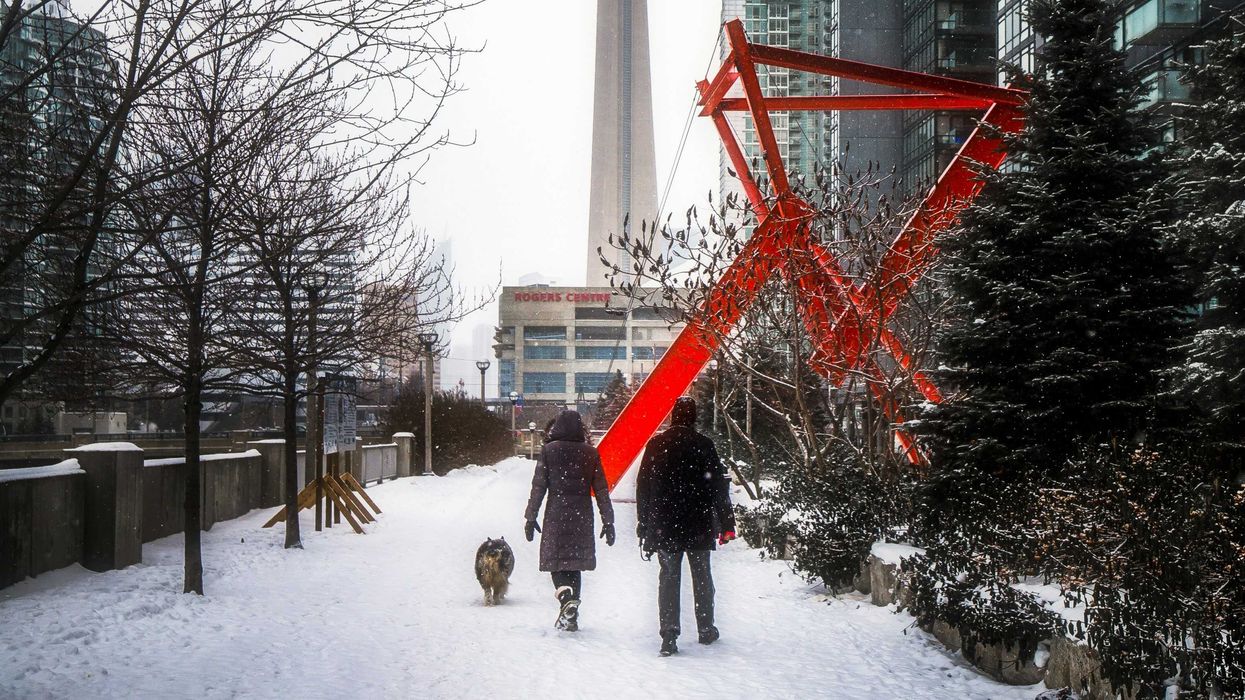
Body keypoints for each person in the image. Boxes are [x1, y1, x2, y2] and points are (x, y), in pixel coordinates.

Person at [636, 396, 736, 657]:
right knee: (702, 574)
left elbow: (644, 487)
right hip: (697, 522)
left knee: (669, 577)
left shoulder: (657, 445)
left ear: (673, 416)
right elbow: (718, 487)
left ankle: (669, 633)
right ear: (693, 417)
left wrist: (644, 523)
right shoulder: (704, 445)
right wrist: (727, 523)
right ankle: (705, 628)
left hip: (665, 524)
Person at [524, 409, 615, 631]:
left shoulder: (549, 451)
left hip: (556, 514)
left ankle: (565, 597)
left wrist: (530, 516)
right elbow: (601, 490)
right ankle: (572, 616)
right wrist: (608, 521)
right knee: (575, 564)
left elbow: (539, 487)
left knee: (556, 561)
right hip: (581, 516)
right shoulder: (590, 453)